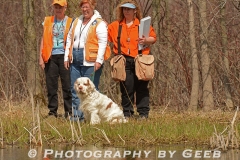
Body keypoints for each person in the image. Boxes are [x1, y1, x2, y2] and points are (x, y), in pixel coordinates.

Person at [108, 0, 157, 119]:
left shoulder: (142, 24)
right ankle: (127, 113)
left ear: (135, 11)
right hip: (124, 60)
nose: (126, 11)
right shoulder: (115, 25)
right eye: (124, 9)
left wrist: (146, 40)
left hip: (140, 60)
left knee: (142, 88)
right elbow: (104, 34)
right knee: (126, 88)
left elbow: (153, 38)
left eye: (129, 9)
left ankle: (143, 113)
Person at [64, 0, 108, 121]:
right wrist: (67, 55)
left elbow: (103, 42)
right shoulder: (76, 21)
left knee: (91, 91)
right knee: (76, 89)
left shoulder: (99, 23)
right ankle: (77, 116)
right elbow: (69, 38)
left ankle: (92, 118)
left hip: (91, 60)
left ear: (92, 7)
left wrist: (99, 60)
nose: (85, 10)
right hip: (75, 60)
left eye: (87, 7)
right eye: (83, 7)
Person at [39, 0, 72, 118]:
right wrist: (41, 58)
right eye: (56, 7)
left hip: (65, 57)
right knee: (51, 86)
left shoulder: (71, 22)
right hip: (50, 56)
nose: (58, 9)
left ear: (65, 8)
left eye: (60, 7)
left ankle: (69, 112)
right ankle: (52, 112)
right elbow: (43, 39)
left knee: (67, 85)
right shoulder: (48, 21)